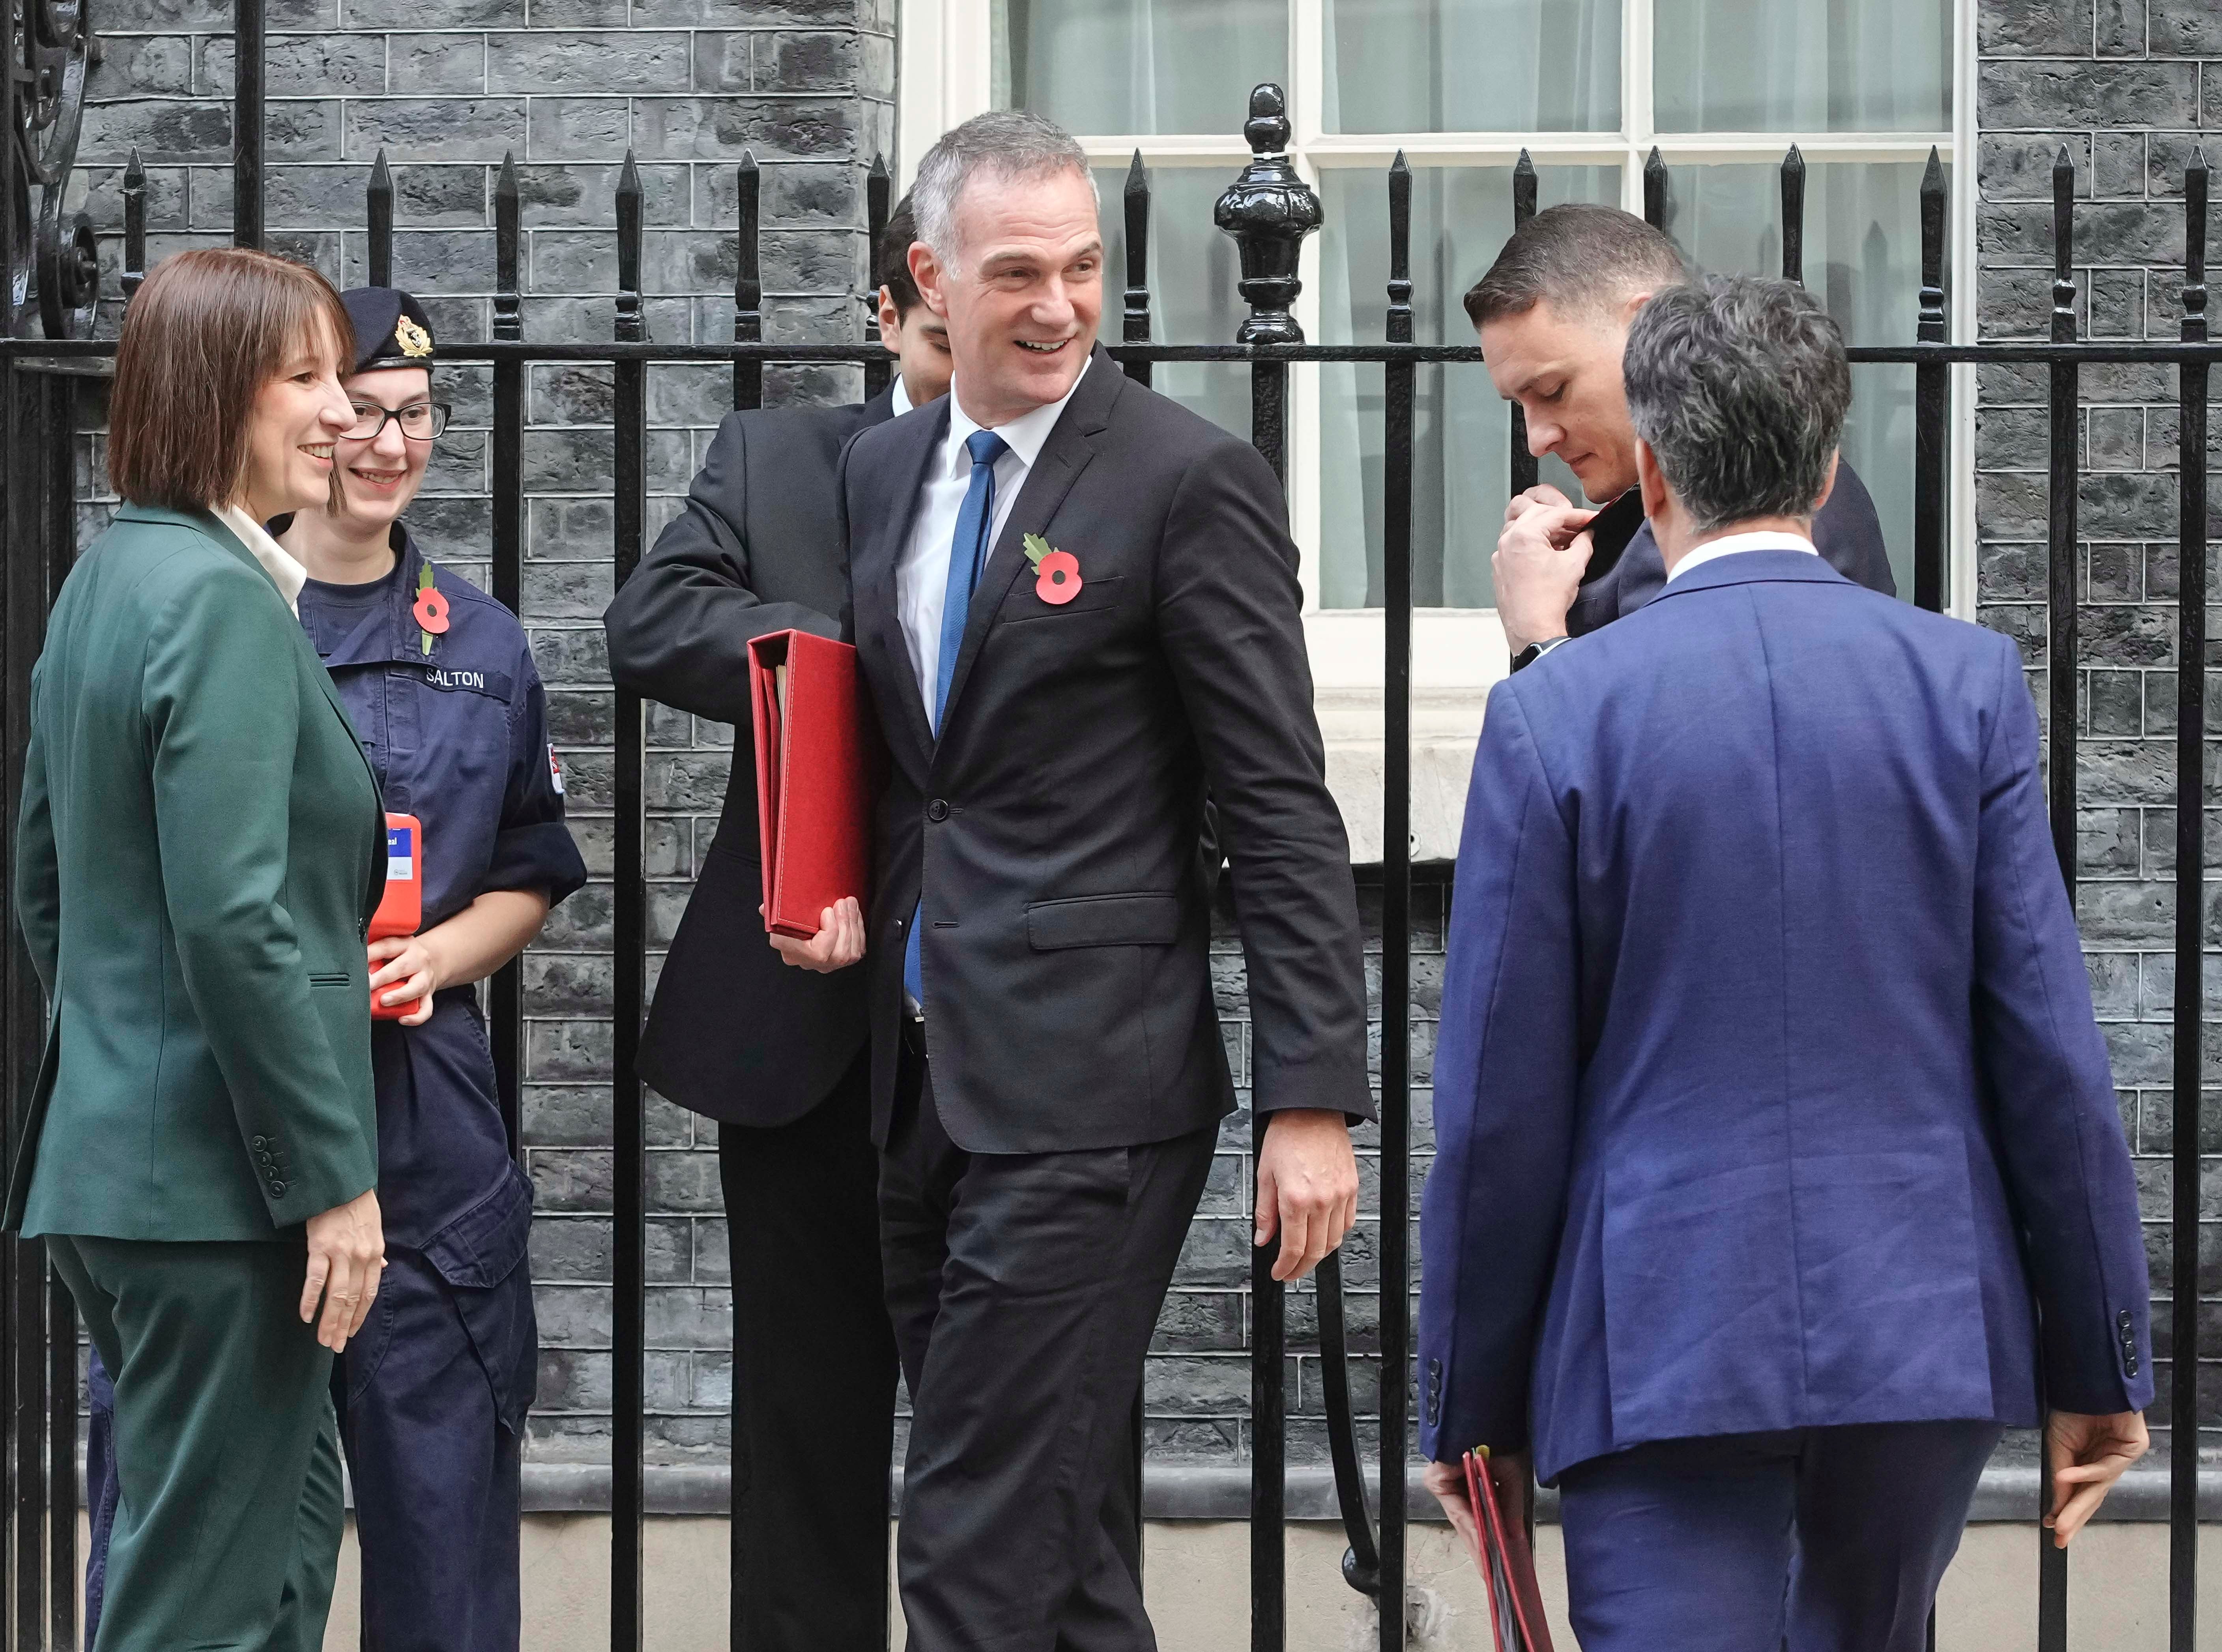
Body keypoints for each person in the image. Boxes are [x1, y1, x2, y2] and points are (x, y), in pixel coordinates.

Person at [1417, 275, 2152, 1652]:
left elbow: (1501, 1112)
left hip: (1656, 1333)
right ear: (1826, 465)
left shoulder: (1557, 710)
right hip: (1918, 1326)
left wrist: (1469, 1410)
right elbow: (2051, 1050)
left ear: (1650, 463)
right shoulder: (1967, 683)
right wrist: (2098, 1353)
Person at [777, 110, 1371, 1652]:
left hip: (1095, 1100)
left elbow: (1282, 804)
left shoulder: (1187, 480)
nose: (1059, 306)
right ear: (932, 276)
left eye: (1086, 269)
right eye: (1020, 271)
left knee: (971, 1545)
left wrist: (1309, 1091)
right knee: (1062, 1546)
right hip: (921, 1080)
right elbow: (927, 767)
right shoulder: (884, 468)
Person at [78, 287, 589, 1651]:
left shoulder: (476, 636)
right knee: (202, 1539)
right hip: (248, 1146)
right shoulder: (227, 605)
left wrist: (439, 949)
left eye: (411, 415)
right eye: (351, 405)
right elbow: (187, 906)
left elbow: (535, 862)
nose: (378, 439)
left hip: (420, 1137)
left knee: (423, 1543)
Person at [6, 246, 385, 1652]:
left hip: (127, 1174)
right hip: (221, 1202)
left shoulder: (113, 577)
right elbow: (234, 915)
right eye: (305, 376)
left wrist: (124, 1063)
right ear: (215, 393)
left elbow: (46, 886)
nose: (342, 409)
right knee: (201, 1610)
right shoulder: (221, 599)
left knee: (279, 1557)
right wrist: (332, 1178)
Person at [598, 199, 948, 1652]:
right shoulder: (780, 453)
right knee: (800, 1424)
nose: (976, 355)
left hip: (996, 1025)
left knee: (1015, 1428)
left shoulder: (1108, 469)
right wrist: (832, 656)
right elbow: (649, 618)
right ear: (886, 317)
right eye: (938, 336)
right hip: (800, 1024)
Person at [1466, 202, 1897, 669]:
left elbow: (1669, 726)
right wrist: (1595, 545)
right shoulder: (1746, 485)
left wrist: (1537, 635)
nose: (1536, 440)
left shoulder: (1752, 513)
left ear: (1647, 327)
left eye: (1553, 390)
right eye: (1520, 405)